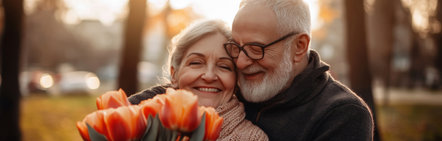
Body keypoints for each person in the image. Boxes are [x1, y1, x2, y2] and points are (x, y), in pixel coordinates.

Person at [223, 0, 374, 140]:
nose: (241, 63)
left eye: (256, 49)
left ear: (299, 47)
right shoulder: (227, 94)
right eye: (236, 47)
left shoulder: (342, 114)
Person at [128, 19, 268, 141]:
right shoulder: (139, 124)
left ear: (236, 80)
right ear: (174, 74)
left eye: (224, 66)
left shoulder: (253, 138)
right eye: (196, 63)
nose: (209, 76)